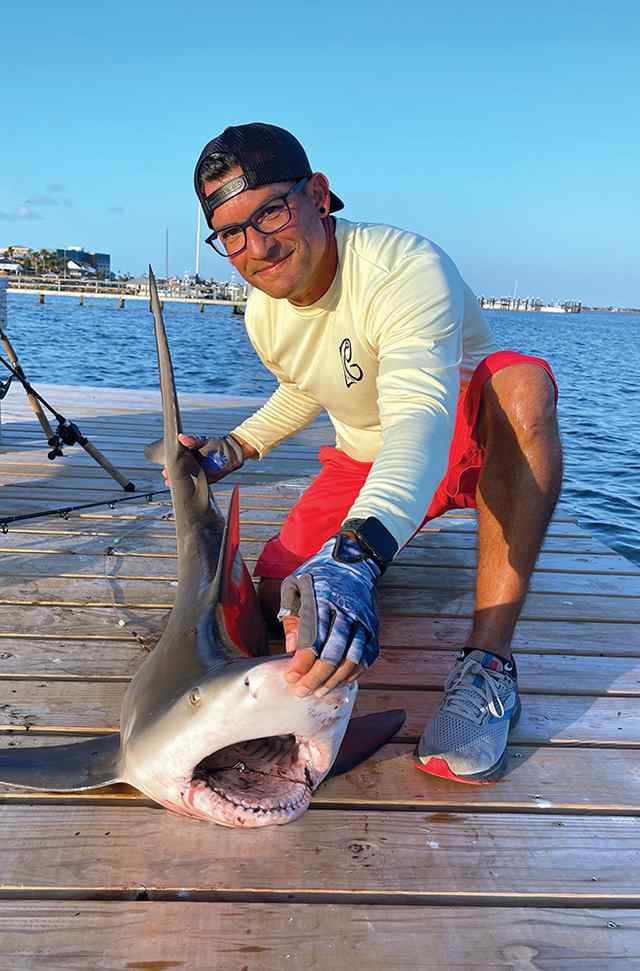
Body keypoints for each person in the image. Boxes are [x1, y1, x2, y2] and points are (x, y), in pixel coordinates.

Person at [171, 122, 562, 785]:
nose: (257, 246)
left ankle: (489, 664)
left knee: (522, 386)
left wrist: (357, 553)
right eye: (231, 232)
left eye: (270, 209)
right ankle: (375, 550)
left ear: (318, 196)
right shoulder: (264, 311)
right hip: (361, 460)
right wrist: (235, 447)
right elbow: (305, 386)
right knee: (274, 597)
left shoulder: (403, 267)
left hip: (462, 442)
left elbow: (418, 417)